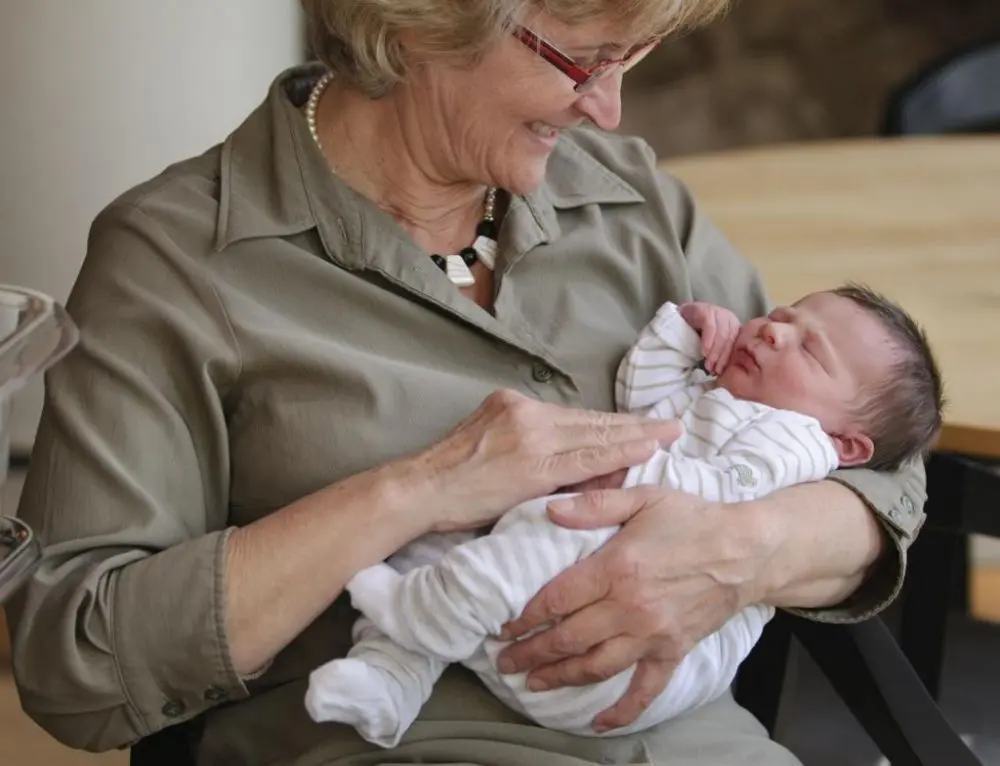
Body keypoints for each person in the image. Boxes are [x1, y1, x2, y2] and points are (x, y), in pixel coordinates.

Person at [6, 2, 929, 765]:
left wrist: (747, 548)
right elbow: (76, 664)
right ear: (424, 23)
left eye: (632, 57)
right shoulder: (176, 260)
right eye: (582, 60)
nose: (607, 109)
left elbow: (883, 461)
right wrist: (419, 489)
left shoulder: (631, 200)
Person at [305, 285, 943, 748]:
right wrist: (686, 332)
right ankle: (392, 681)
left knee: (536, 536)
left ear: (847, 445)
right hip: (553, 619)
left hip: (617, 665)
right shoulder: (716, 394)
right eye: (782, 317)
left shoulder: (796, 444)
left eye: (811, 352)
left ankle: (419, 621)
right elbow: (641, 391)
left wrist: (629, 468)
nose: (775, 331)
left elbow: (720, 495)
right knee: (442, 543)